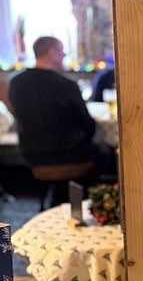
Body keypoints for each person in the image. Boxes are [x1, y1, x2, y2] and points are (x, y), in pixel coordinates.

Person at [9, 36, 115, 191]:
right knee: (107, 153)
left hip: (30, 153)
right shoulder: (66, 85)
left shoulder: (15, 82)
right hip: (68, 154)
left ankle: (60, 195)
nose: (64, 56)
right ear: (53, 52)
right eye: (62, 52)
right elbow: (88, 125)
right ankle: (89, 198)